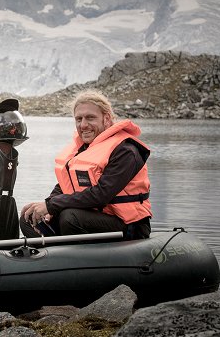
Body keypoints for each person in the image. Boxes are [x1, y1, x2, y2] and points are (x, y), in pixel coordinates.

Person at [20, 89, 152, 240]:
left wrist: (52, 205)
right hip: (90, 217)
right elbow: (65, 185)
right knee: (29, 217)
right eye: (78, 119)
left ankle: (65, 255)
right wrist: (48, 207)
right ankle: (54, 256)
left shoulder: (126, 151)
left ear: (107, 119)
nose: (83, 125)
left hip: (129, 225)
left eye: (90, 118)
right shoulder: (83, 148)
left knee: (69, 217)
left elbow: (101, 195)